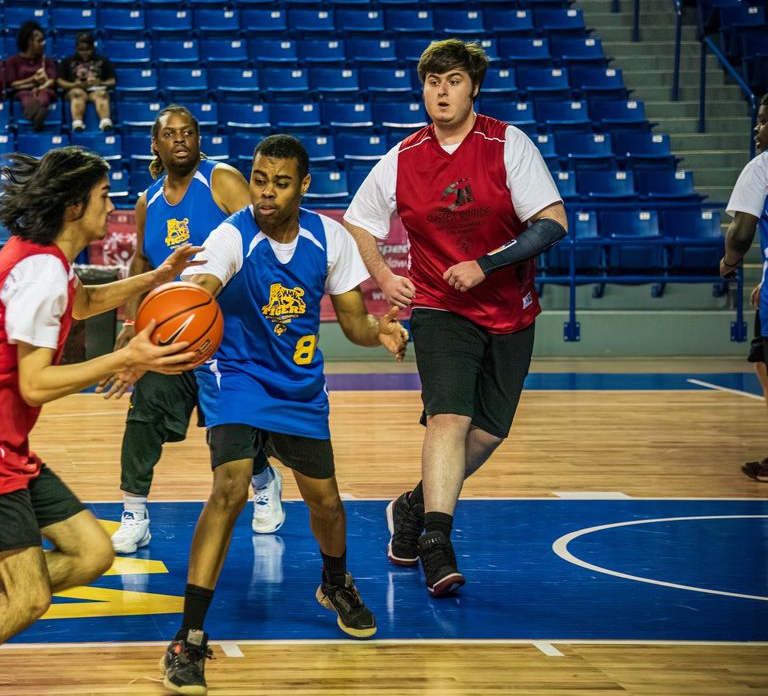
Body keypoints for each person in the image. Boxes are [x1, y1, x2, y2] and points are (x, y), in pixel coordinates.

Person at [0, 147, 200, 696]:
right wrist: (126, 358)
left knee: (92, 552)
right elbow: (35, 383)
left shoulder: (39, 255)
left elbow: (84, 300)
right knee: (29, 598)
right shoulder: (43, 269)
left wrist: (155, 278)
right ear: (74, 206)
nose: (111, 204)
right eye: (102, 196)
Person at [160, 134, 410, 695]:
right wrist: (186, 301)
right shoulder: (232, 235)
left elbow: (352, 323)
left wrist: (380, 332)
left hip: (298, 389)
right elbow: (204, 282)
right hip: (236, 379)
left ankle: (334, 582)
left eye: (279, 182)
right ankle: (188, 637)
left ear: (304, 186)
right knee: (228, 489)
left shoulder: (331, 238)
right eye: (259, 179)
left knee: (325, 502)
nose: (265, 192)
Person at [344, 39, 566, 598]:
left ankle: (412, 506)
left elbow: (552, 221)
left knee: (487, 434)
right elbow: (359, 223)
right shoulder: (402, 157)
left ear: (474, 88)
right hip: (441, 308)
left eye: (453, 81)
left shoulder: (507, 143)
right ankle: (437, 543)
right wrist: (383, 277)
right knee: (448, 418)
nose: (441, 91)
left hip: (509, 309)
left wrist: (485, 264)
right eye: (432, 81)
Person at [105, 105, 284, 556]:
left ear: (198, 139)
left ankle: (263, 482)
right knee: (145, 414)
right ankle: (133, 514)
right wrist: (131, 321)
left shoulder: (220, 178)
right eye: (170, 134)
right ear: (156, 144)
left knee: (228, 424)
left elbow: (260, 236)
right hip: (173, 334)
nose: (180, 139)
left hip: (232, 331)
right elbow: (143, 264)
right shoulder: (148, 201)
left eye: (188, 132)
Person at [720, 92, 768, 482]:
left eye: (764, 121)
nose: (757, 128)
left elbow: (742, 230)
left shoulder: (762, 166)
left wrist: (730, 261)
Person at [56, 31, 116, 133]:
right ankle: (77, 124)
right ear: (76, 48)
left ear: (93, 48)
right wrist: (74, 84)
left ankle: (106, 123)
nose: (84, 52)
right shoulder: (67, 61)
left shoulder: (103, 60)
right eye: (81, 50)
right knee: (77, 93)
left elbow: (112, 81)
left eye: (87, 49)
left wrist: (100, 83)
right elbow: (59, 81)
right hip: (76, 89)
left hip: (96, 90)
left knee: (102, 94)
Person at [3, 21, 57, 132]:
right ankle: (38, 116)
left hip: (43, 89)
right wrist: (32, 80)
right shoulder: (13, 61)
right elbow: (12, 84)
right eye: (39, 41)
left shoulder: (46, 60)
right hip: (22, 90)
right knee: (25, 95)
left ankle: (31, 115)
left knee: (45, 94)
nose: (43, 43)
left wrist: (40, 87)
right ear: (29, 42)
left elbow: (52, 80)